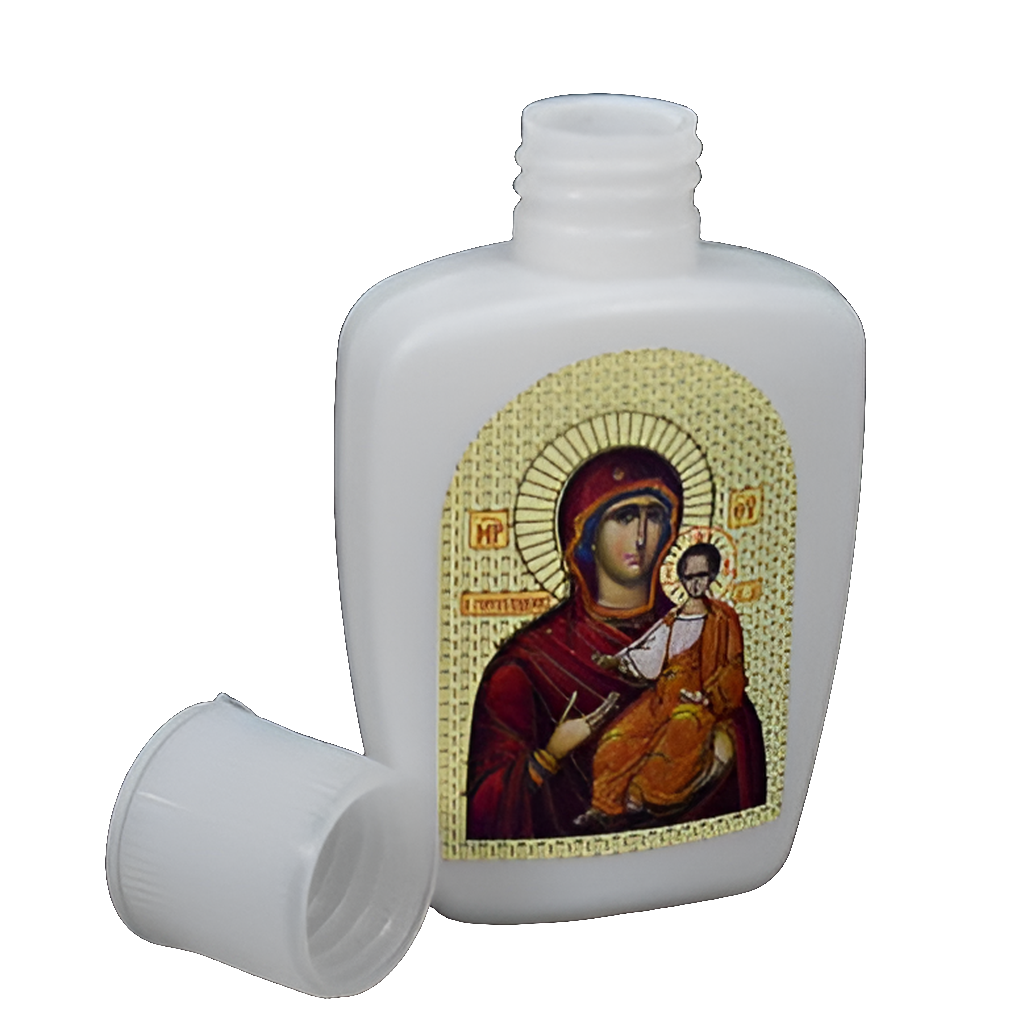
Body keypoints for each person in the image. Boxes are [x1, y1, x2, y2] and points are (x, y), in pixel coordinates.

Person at [465, 448, 765, 841]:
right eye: (624, 517)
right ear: (585, 533)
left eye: (653, 517)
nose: (641, 537)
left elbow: (739, 725)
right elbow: (484, 808)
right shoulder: (528, 665)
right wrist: (550, 755)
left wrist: (723, 744)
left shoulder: (703, 627)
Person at [583, 543, 764, 824]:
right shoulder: (672, 618)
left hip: (699, 702)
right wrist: (616, 662)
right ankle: (605, 805)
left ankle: (642, 796)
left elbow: (733, 666)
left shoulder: (722, 619)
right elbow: (648, 654)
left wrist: (708, 697)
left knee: (680, 731)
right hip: (661, 698)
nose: (695, 583)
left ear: (712, 575)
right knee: (619, 736)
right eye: (689, 577)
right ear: (680, 578)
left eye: (701, 575)